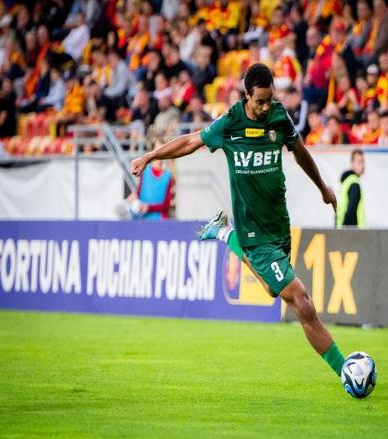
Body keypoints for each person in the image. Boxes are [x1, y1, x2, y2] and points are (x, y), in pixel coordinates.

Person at [131, 63, 349, 382]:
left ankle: (224, 233)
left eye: (269, 100)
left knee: (272, 290)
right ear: (246, 94)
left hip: (278, 224)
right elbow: (191, 141)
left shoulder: (278, 116)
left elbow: (300, 151)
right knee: (302, 302)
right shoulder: (231, 122)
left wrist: (323, 188)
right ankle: (346, 370)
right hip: (253, 229)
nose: (265, 107)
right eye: (259, 101)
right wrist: (150, 156)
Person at [336, 150, 365, 228]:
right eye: (359, 162)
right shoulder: (354, 183)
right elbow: (351, 211)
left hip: (341, 229)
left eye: (363, 162)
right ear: (352, 164)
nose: (363, 165)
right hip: (352, 232)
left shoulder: (346, 182)